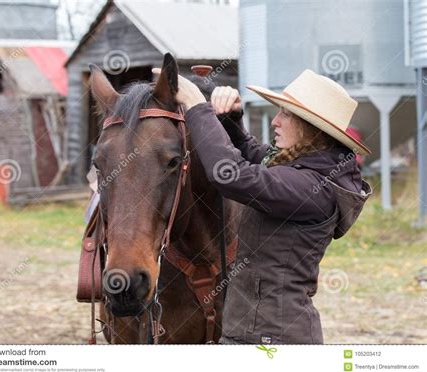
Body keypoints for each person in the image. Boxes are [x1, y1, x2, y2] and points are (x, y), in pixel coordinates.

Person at [153, 68, 373, 344]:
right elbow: (254, 154)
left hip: (269, 339)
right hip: (257, 333)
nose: (275, 122)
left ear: (311, 130)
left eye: (286, 114)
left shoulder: (309, 187)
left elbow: (231, 175)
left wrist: (198, 106)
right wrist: (230, 119)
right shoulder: (306, 169)